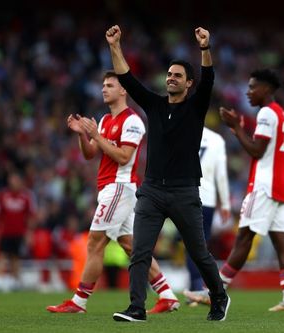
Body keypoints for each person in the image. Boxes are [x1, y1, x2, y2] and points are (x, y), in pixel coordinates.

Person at [106, 25, 230, 322]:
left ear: (188, 84)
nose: (171, 78)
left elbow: (209, 78)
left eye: (177, 76)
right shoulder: (155, 105)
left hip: (185, 191)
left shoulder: (196, 107)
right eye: (169, 74)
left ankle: (219, 296)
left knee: (199, 254)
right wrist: (115, 45)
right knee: (140, 252)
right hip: (151, 191)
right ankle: (137, 307)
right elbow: (127, 79)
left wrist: (204, 49)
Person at [46, 71, 179, 314]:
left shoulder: (133, 121)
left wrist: (96, 135)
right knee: (131, 246)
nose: (104, 89)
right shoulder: (106, 120)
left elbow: (124, 157)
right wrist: (82, 135)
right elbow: (90, 154)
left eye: (109, 85)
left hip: (120, 187)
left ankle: (79, 301)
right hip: (110, 188)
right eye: (103, 85)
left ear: (123, 90)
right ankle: (167, 295)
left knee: (95, 242)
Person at [186, 69, 284, 312]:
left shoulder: (267, 114)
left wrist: (237, 128)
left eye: (252, 87)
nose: (247, 93)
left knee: (244, 238)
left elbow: (257, 150)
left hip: (265, 186)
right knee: (280, 240)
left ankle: (214, 291)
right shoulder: (280, 113)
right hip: (282, 185)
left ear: (266, 89)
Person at [184, 127, 230, 295]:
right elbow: (221, 174)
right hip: (207, 199)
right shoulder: (216, 139)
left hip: (184, 194)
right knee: (201, 243)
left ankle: (195, 285)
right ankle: (197, 285)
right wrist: (224, 203)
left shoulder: (183, 132)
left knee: (189, 243)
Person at [0, 172, 35, 292]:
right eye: (11, 180)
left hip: (19, 233)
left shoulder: (26, 197)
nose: (13, 183)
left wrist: (29, 234)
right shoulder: (3, 196)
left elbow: (30, 216)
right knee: (2, 255)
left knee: (16, 257)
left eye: (15, 180)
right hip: (5, 232)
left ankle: (15, 281)